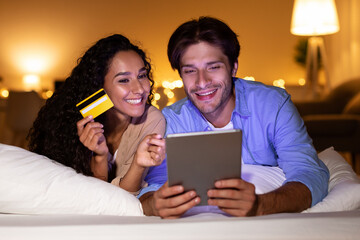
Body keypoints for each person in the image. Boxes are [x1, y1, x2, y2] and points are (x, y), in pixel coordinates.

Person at [138, 16, 330, 218]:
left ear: (234, 66)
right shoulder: (171, 120)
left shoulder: (273, 104)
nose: (202, 82)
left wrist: (261, 205)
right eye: (190, 71)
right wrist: (155, 204)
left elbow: (310, 173)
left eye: (213, 67)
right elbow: (154, 185)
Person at [28, 34, 166, 194]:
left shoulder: (152, 120)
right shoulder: (79, 120)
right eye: (124, 80)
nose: (140, 89)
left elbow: (122, 197)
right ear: (99, 86)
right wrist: (99, 156)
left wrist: (136, 164)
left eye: (141, 76)